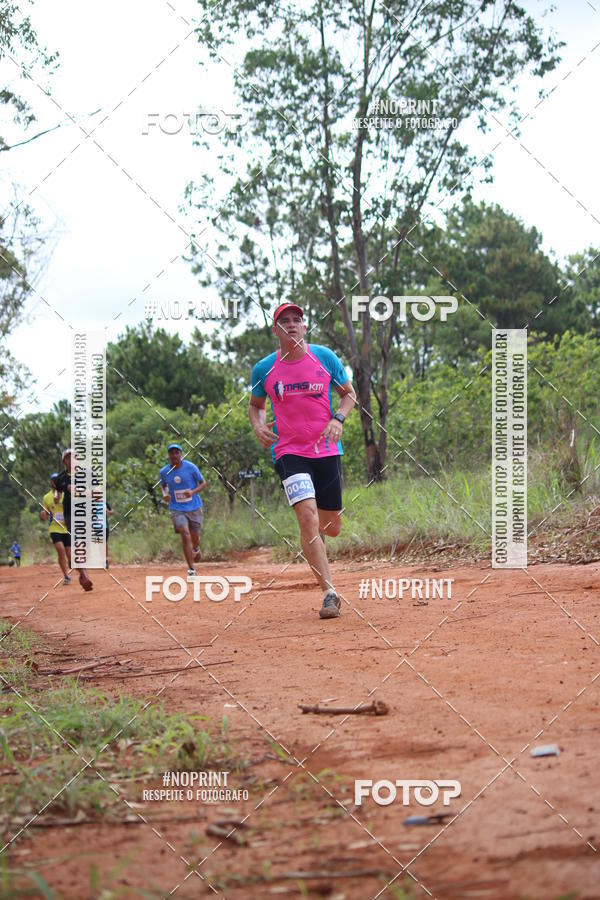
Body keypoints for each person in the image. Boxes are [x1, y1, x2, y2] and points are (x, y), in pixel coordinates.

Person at [249, 302, 356, 619]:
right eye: (285, 321)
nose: (292, 325)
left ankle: (318, 543)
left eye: (297, 320)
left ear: (305, 327)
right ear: (276, 330)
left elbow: (348, 394)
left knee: (331, 527)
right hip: (289, 451)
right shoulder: (263, 369)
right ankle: (329, 592)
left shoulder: (324, 358)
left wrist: (338, 418)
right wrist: (258, 425)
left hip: (326, 450)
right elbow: (256, 405)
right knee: (307, 517)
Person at [159, 443, 206, 577]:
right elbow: (163, 485)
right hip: (176, 508)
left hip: (194, 507)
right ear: (168, 455)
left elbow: (203, 483)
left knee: (195, 537)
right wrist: (165, 494)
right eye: (171, 453)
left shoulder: (191, 467)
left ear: (181, 454)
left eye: (176, 452)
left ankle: (196, 548)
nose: (174, 455)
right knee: (185, 534)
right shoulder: (164, 471)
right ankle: (191, 569)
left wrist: (192, 492)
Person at [53, 449, 93, 591]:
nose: (72, 460)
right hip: (70, 513)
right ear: (64, 461)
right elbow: (57, 491)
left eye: (74, 457)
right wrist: (57, 497)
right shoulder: (61, 478)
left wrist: (80, 490)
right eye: (68, 458)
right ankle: (84, 574)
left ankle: (81, 571)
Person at [41, 474, 71, 584]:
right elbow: (46, 512)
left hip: (66, 527)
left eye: (57, 480)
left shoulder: (67, 494)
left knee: (70, 557)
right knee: (61, 551)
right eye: (53, 481)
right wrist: (43, 514)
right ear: (51, 482)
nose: (55, 482)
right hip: (54, 527)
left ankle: (74, 569)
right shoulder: (46, 497)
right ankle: (66, 576)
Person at [105, 501, 113, 569]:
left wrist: (107, 510)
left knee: (104, 543)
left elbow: (112, 512)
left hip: (105, 526)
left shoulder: (105, 503)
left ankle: (106, 560)